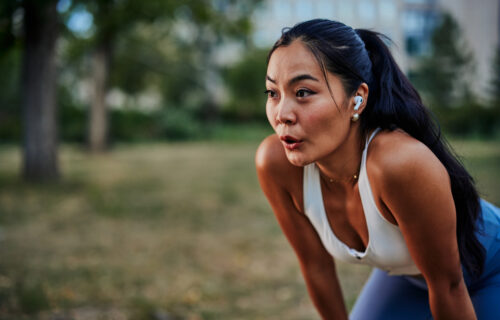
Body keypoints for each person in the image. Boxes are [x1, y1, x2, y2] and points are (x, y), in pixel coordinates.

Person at [255, 19, 500, 320]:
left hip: (489, 268)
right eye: (272, 93)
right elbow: (316, 267)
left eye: (303, 92)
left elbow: (448, 286)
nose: (282, 114)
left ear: (357, 98)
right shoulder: (276, 163)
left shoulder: (399, 164)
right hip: (408, 278)